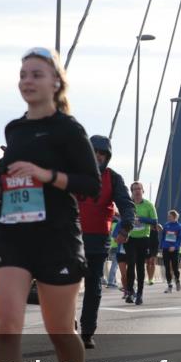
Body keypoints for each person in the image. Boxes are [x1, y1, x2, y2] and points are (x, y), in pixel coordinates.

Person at [0, 47, 101, 362]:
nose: (27, 80)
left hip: (57, 236)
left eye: (37, 74)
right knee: (6, 323)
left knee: (60, 330)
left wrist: (46, 175)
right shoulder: (14, 129)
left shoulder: (69, 130)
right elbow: (11, 174)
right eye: (23, 74)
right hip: (13, 233)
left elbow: (90, 184)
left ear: (55, 83)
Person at [75, 135, 135, 349]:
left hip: (97, 241)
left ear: (107, 157)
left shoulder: (114, 179)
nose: (98, 156)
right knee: (66, 285)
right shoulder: (74, 174)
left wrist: (125, 228)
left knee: (93, 287)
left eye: (103, 153)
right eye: (95, 152)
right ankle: (66, 324)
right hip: (71, 239)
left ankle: (87, 331)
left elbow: (127, 206)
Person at [126, 182, 158, 304]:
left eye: (139, 188)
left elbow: (155, 221)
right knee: (131, 264)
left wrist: (141, 219)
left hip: (144, 239)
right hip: (130, 239)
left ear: (143, 191)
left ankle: (139, 293)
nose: (137, 191)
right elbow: (122, 218)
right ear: (132, 192)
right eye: (134, 189)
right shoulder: (128, 205)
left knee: (140, 266)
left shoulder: (149, 205)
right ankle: (129, 292)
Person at [160, 210, 181, 293]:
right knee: (167, 267)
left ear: (175, 217)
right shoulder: (166, 225)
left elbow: (180, 238)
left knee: (175, 267)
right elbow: (163, 236)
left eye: (170, 216)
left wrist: (174, 247)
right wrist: (162, 246)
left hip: (175, 250)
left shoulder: (180, 226)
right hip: (166, 249)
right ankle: (169, 285)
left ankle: (177, 280)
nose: (168, 217)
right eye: (168, 216)